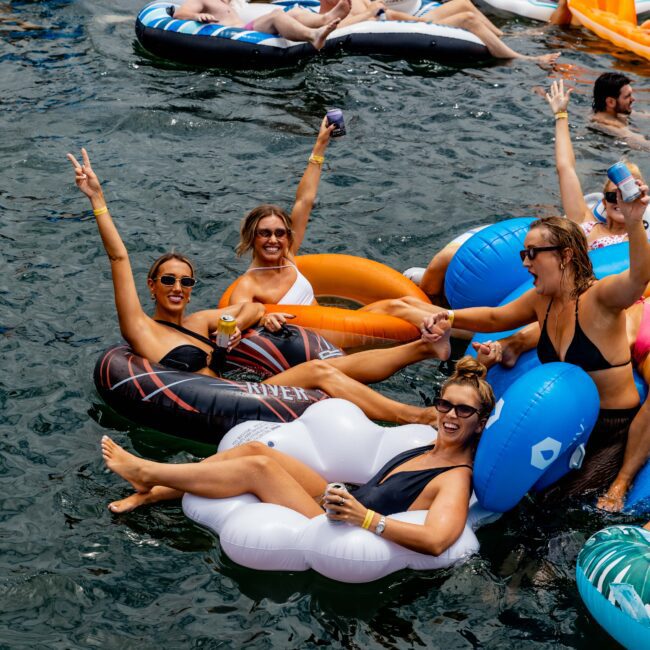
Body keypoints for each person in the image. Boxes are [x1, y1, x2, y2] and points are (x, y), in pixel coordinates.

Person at [67, 148, 457, 426]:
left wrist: (245, 321)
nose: (178, 287)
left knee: (322, 368)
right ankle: (418, 416)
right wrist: (97, 199)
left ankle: (424, 347)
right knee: (322, 374)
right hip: (215, 402)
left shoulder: (201, 321)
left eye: (186, 281)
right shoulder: (140, 328)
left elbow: (248, 310)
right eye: (168, 280)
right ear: (152, 286)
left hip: (244, 393)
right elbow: (119, 258)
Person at [102, 355, 495, 560]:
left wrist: (365, 519)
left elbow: (436, 540)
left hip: (340, 523)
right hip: (344, 497)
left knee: (257, 468)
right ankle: (152, 490)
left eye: (465, 411)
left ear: (480, 424)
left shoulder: (456, 476)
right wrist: (485, 367)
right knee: (257, 449)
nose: (451, 415)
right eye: (446, 405)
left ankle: (146, 469)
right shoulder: (431, 441)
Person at [422, 198, 650, 503]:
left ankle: (621, 482)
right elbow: (494, 317)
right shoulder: (540, 300)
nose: (525, 263)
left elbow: (638, 278)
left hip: (611, 428)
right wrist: (448, 317)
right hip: (563, 417)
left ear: (565, 256)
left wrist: (634, 222)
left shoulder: (600, 298)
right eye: (523, 254)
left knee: (553, 503)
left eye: (532, 254)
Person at [228, 117, 333, 331]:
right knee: (399, 308)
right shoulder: (248, 286)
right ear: (252, 237)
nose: (273, 240)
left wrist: (320, 145)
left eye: (280, 233)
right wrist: (263, 319)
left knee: (402, 305)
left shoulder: (288, 256)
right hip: (310, 344)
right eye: (265, 233)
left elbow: (305, 201)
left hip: (338, 328)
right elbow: (236, 324)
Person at [546, 79, 646, 250]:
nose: (620, 203)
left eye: (629, 195)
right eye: (613, 196)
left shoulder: (638, 240)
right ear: (604, 202)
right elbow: (565, 168)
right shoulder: (584, 221)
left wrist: (635, 219)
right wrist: (561, 115)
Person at [319, 0, 561, 64]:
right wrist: (416, 20)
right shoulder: (355, 4)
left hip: (410, 15)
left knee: (464, 4)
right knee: (467, 18)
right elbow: (379, 14)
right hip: (398, 22)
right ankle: (523, 58)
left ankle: (508, 37)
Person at [173, 0, 350, 50]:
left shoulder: (228, 3)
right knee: (276, 16)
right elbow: (180, 13)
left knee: (293, 13)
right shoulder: (204, 1)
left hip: (247, 28)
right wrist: (197, 15)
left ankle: (324, 19)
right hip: (238, 35)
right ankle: (313, 35)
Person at [590, 72, 650, 149]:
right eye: (627, 96)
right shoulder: (609, 127)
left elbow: (644, 115)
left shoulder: (615, 111)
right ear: (611, 102)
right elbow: (643, 144)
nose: (633, 99)